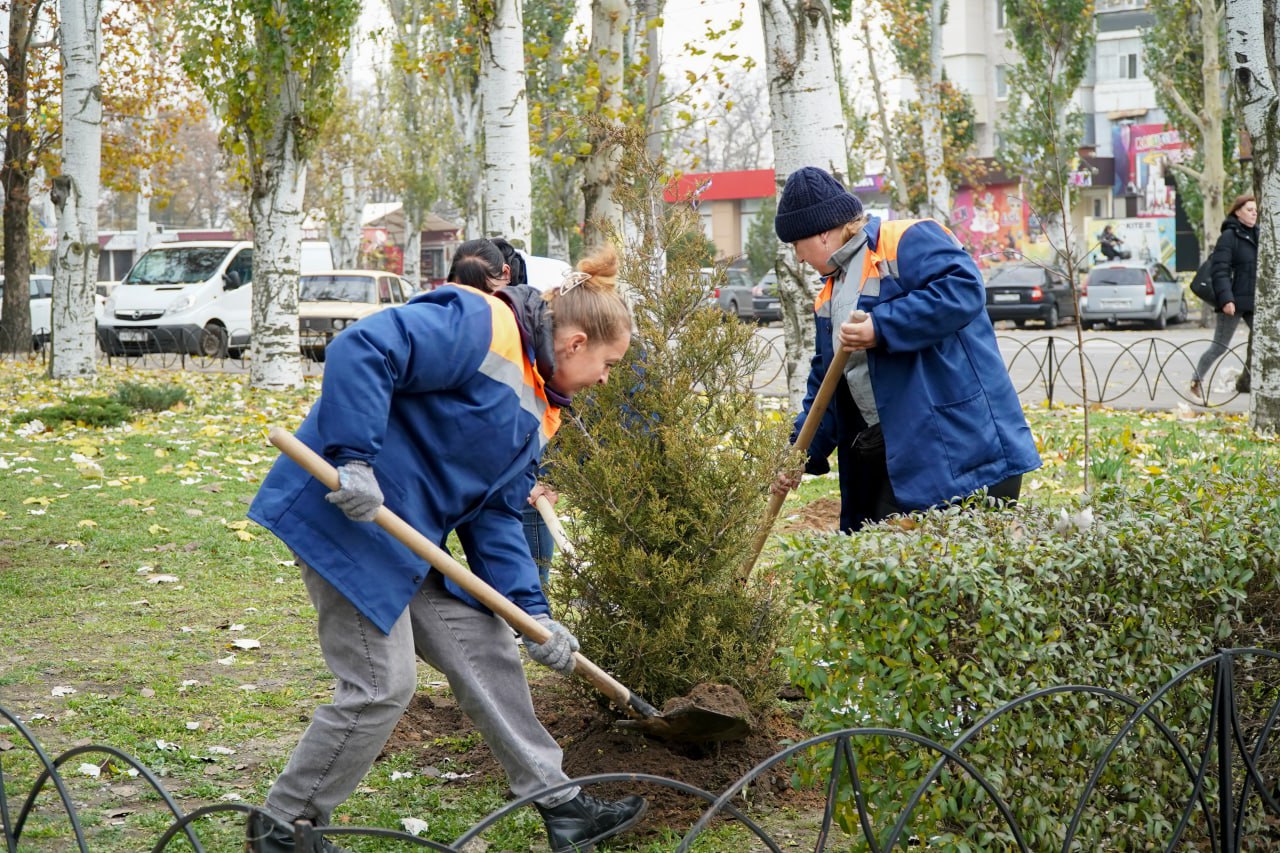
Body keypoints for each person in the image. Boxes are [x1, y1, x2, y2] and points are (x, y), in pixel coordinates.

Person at [246, 245, 645, 853]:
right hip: (346, 513)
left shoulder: (542, 408)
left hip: (410, 538)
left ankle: (562, 806)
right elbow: (364, 347)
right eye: (608, 363)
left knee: (485, 645)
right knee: (382, 683)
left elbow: (494, 516)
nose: (606, 378)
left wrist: (532, 616)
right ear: (575, 344)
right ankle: (282, 824)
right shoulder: (481, 322)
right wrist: (354, 458)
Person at [770, 166, 1041, 533]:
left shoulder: (906, 240)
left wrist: (881, 327)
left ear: (821, 233)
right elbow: (827, 387)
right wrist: (798, 455)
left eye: (795, 246)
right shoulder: (829, 295)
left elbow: (964, 290)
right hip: (901, 457)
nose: (798, 258)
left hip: (965, 450)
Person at [449, 237, 558, 587]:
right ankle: (516, 603)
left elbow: (561, 395)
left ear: (506, 275)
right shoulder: (480, 276)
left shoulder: (543, 300)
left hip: (579, 401)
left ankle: (531, 600)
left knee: (529, 494)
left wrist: (550, 474)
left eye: (488, 297)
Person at [1190, 194, 1258, 400]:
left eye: (1256, 210)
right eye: (1249, 209)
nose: (1254, 213)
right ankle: (1196, 381)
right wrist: (1226, 299)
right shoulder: (1229, 236)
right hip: (1233, 302)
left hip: (1254, 301)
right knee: (1219, 346)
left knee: (1269, 342)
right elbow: (1220, 270)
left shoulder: (1260, 234)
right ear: (1237, 212)